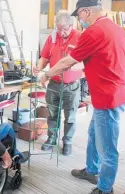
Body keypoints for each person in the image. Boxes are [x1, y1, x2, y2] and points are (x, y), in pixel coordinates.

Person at [39, 0, 125, 194]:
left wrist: (46, 74)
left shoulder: (93, 31)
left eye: (79, 14)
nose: (79, 19)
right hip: (110, 92)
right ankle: (91, 170)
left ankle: (105, 189)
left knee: (107, 147)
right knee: (93, 134)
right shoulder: (115, 28)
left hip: (109, 97)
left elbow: (67, 62)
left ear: (86, 11)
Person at [34, 10, 82, 155]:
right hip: (54, 84)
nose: (61, 32)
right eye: (58, 29)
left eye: (64, 29)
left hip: (71, 85)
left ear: (71, 25)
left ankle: (67, 141)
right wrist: (39, 67)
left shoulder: (80, 37)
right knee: (53, 114)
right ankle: (52, 138)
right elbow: (45, 57)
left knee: (70, 117)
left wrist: (73, 66)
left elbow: (86, 61)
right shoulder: (52, 37)